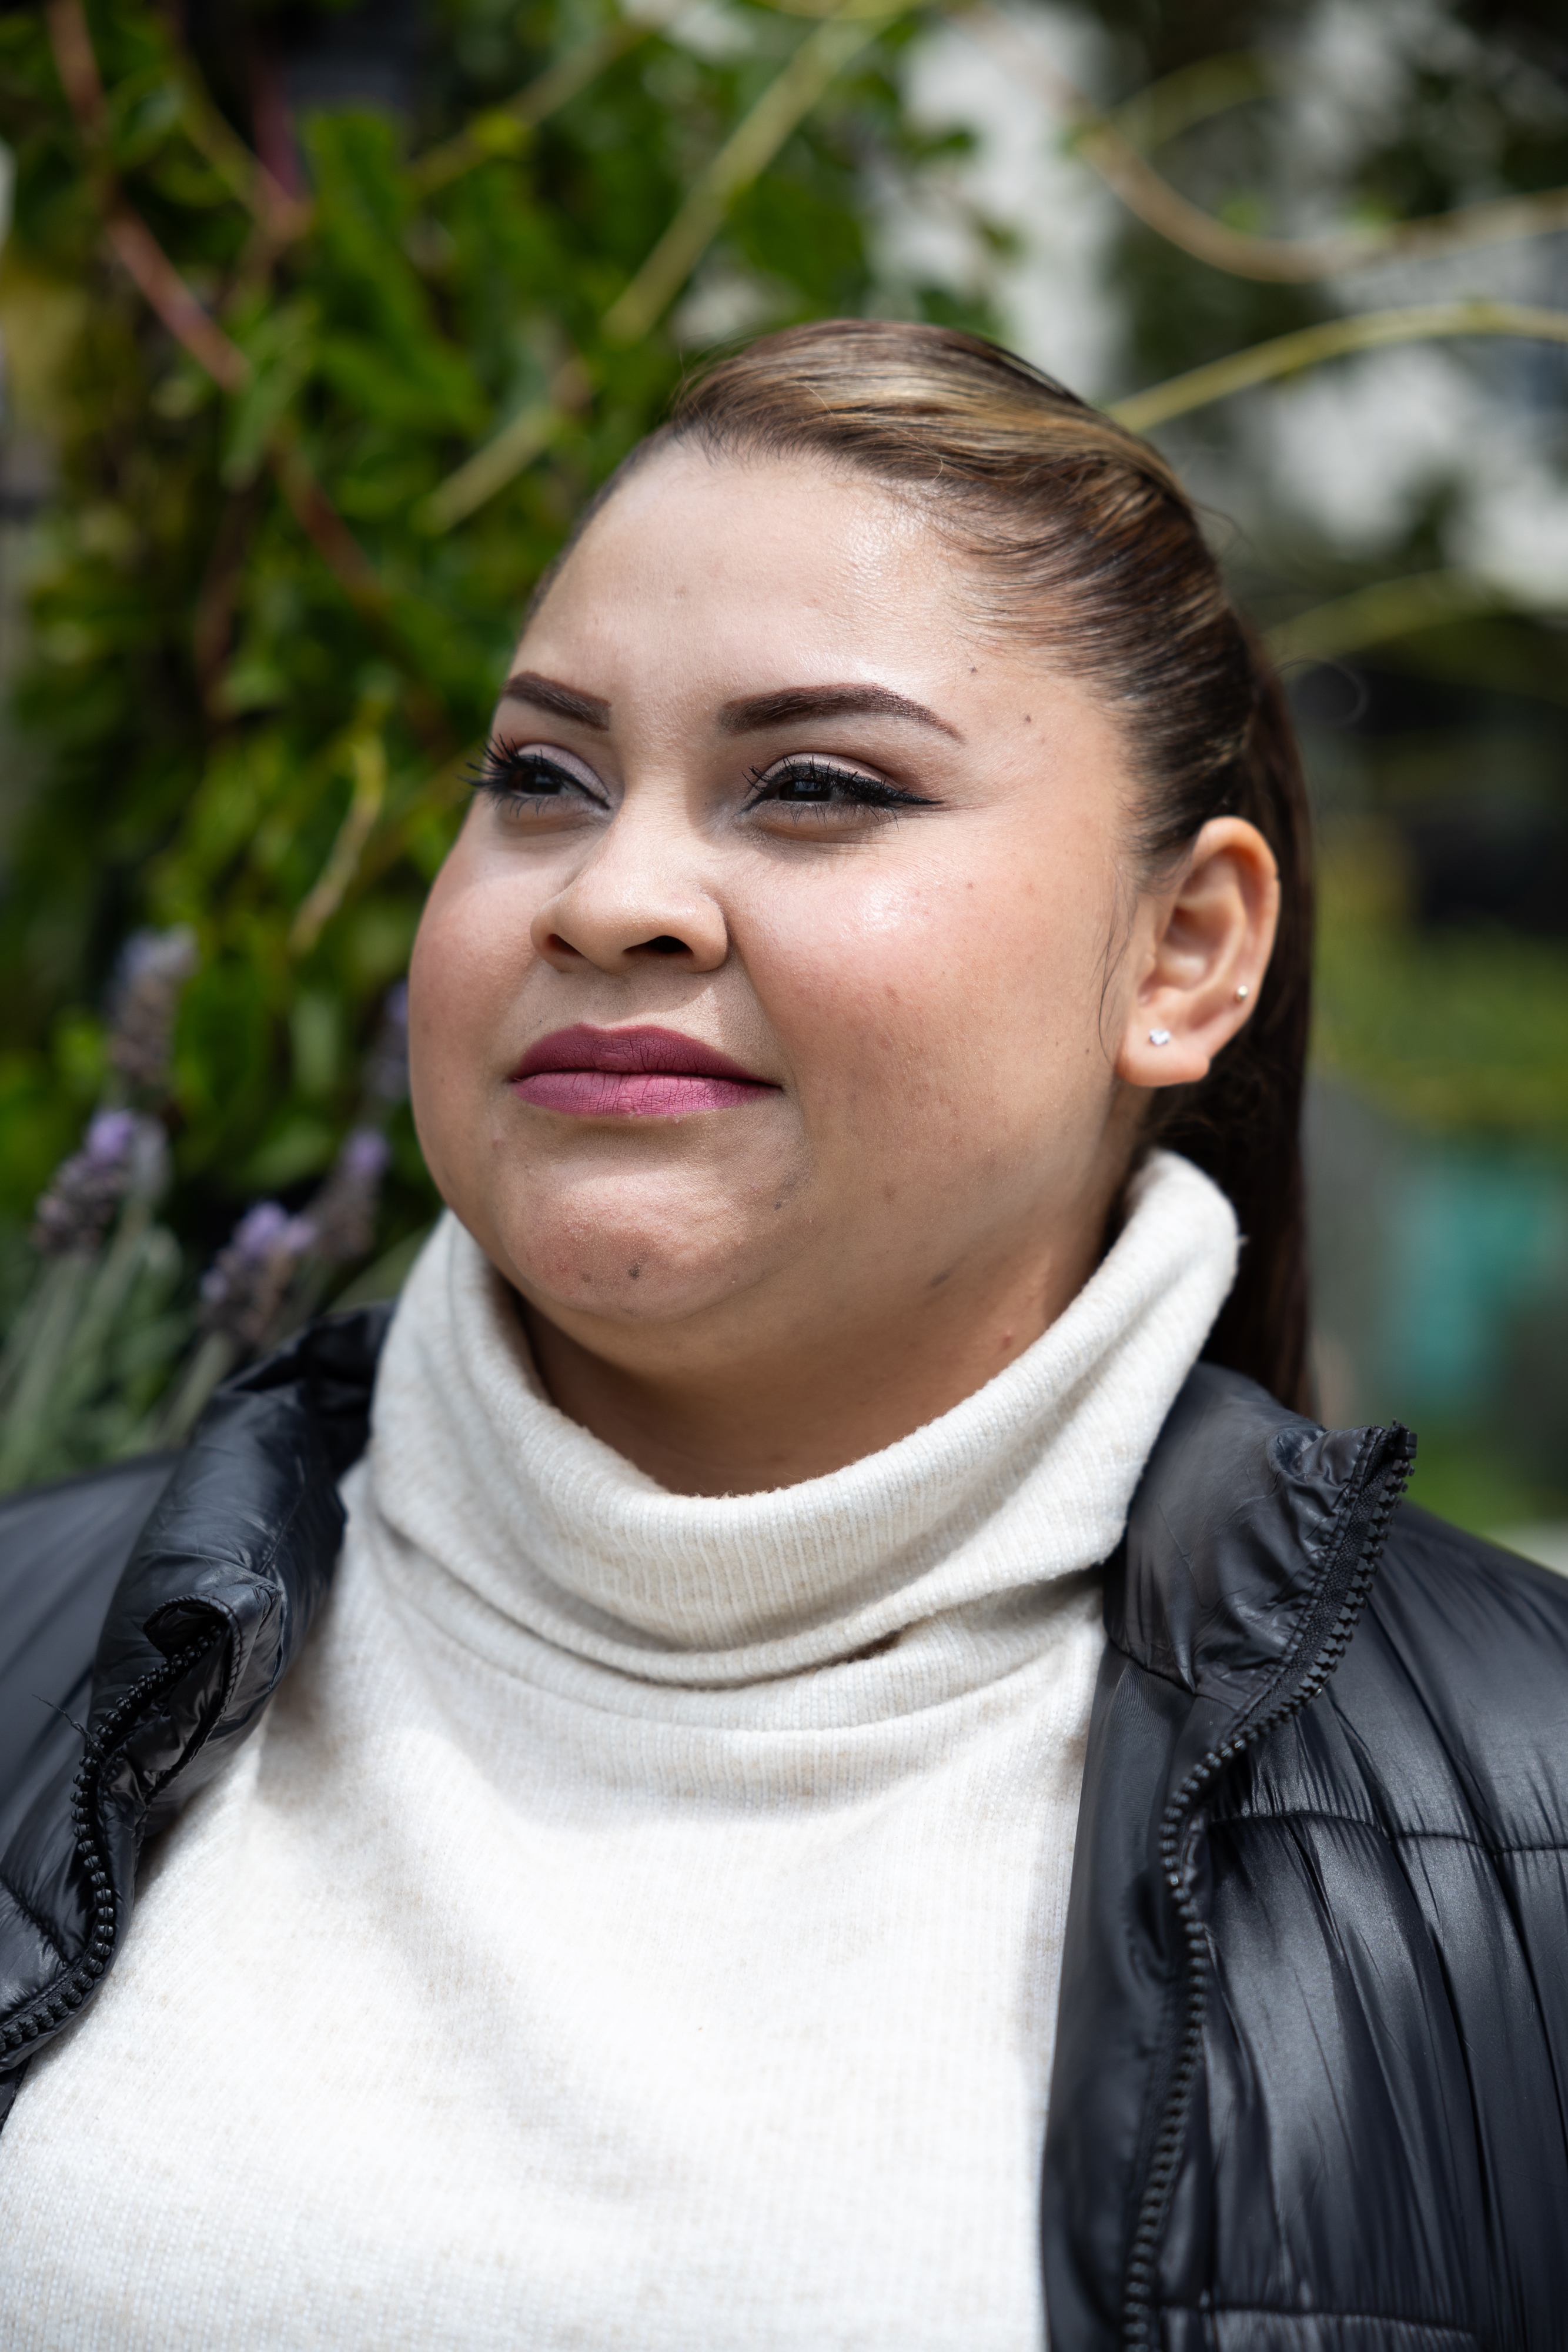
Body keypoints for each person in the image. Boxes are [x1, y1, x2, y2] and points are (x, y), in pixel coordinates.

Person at [0, 320, 1564, 2351]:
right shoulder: (37, 1661)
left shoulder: (1521, 1822)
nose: (614, 894)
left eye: (815, 786)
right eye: (540, 778)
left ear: (1182, 953)